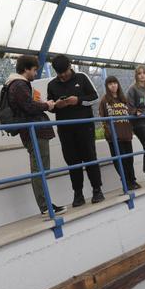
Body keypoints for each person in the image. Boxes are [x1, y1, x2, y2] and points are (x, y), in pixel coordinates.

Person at [4, 55, 67, 216]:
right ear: (25, 69)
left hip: (36, 131)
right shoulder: (18, 85)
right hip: (34, 132)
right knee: (40, 169)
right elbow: (29, 106)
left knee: (42, 169)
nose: (35, 73)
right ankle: (45, 206)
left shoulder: (19, 84)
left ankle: (46, 204)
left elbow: (28, 104)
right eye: (34, 70)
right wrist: (47, 105)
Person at [47, 55, 104, 207]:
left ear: (70, 66)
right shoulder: (52, 85)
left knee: (90, 157)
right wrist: (56, 105)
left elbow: (95, 97)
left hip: (85, 126)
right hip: (65, 129)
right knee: (72, 161)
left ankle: (97, 190)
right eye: (59, 73)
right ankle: (78, 194)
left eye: (65, 72)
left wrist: (78, 100)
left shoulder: (82, 78)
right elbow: (50, 106)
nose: (63, 76)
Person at [99, 76, 141, 190]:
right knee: (120, 161)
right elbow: (102, 118)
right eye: (110, 84)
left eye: (115, 83)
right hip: (114, 137)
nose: (113, 85)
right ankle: (126, 182)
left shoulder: (124, 99)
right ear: (107, 86)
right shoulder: (104, 100)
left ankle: (133, 180)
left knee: (129, 159)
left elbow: (131, 112)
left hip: (126, 135)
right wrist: (109, 133)